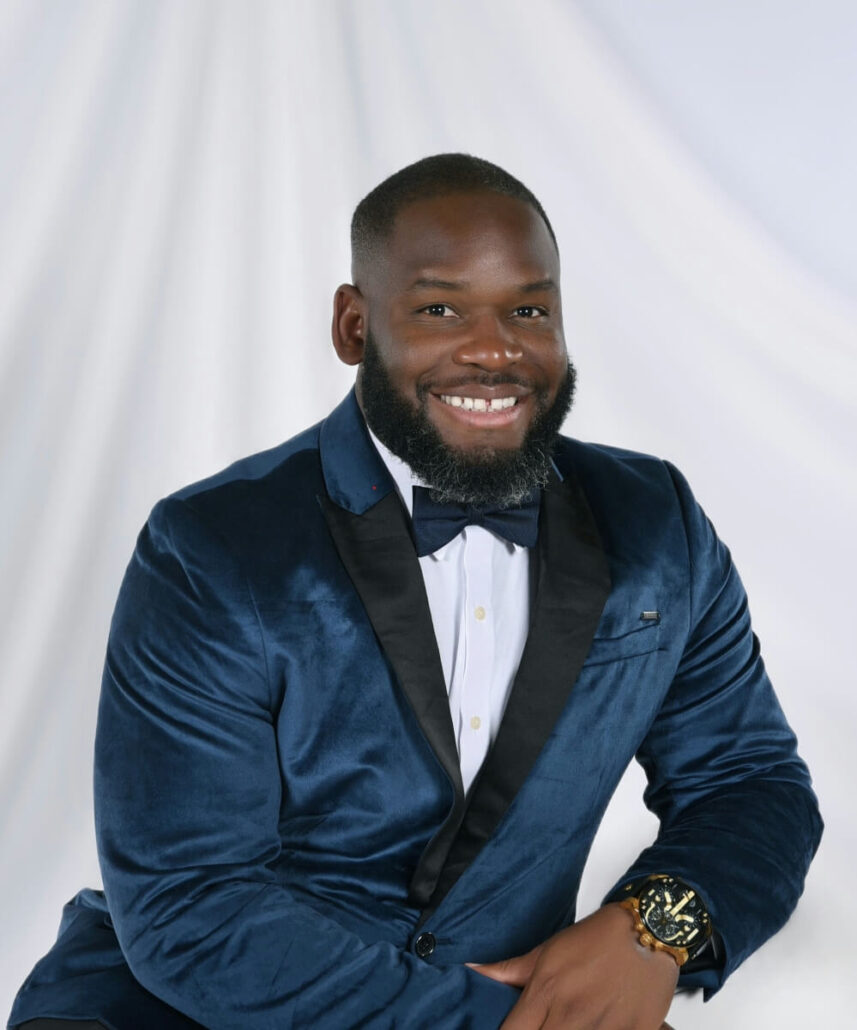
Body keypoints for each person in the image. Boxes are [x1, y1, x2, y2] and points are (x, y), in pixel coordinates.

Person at [9, 154, 821, 1030]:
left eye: (528, 310)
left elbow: (749, 782)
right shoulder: (212, 547)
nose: (494, 349)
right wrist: (516, 1023)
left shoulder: (654, 524)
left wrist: (649, 931)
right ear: (353, 326)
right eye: (440, 309)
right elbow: (193, 909)